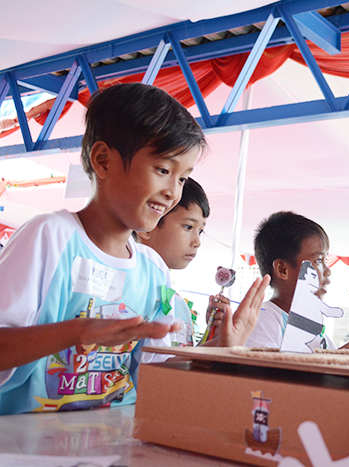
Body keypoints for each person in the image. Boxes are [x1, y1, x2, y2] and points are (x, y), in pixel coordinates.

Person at [0, 83, 269, 415]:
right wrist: (78, 331)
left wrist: (220, 349)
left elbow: (155, 376)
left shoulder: (152, 270)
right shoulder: (50, 238)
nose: (173, 192)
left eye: (183, 178)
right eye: (163, 170)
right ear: (103, 161)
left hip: (112, 445)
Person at [246, 211, 349, 350]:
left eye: (326, 260)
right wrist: (338, 359)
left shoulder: (314, 330)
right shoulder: (262, 320)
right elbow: (263, 369)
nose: (328, 271)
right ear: (283, 270)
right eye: (318, 260)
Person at [134, 177, 210, 346]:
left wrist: (214, 336)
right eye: (188, 227)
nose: (197, 242)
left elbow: (179, 365)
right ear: (148, 226)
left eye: (201, 231)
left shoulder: (179, 304)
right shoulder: (130, 293)